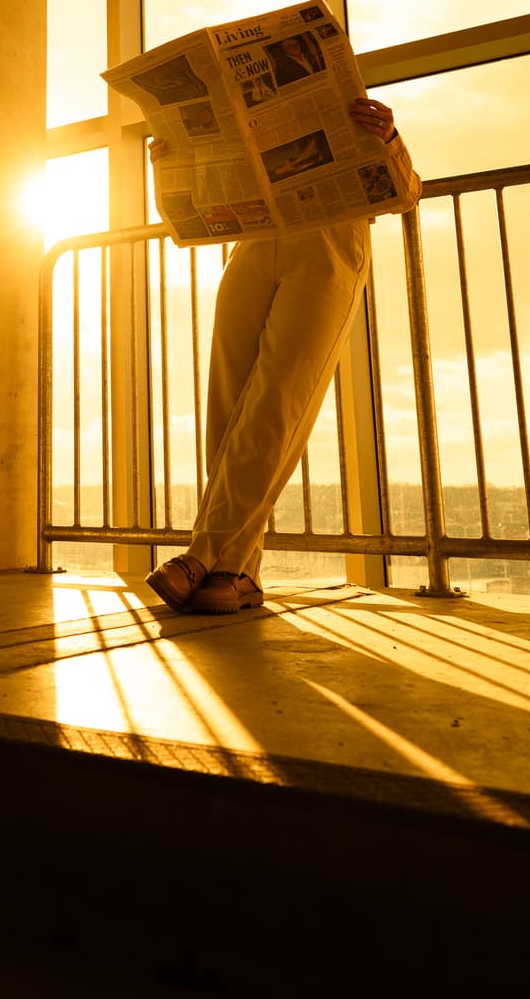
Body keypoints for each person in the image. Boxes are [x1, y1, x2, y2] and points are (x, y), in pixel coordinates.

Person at [146, 95, 421, 617]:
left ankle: (202, 554)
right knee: (226, 411)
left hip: (329, 244)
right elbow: (193, 218)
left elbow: (406, 194)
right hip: (252, 244)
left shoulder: (362, 120)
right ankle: (240, 571)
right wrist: (171, 162)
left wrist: (388, 138)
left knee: (277, 402)